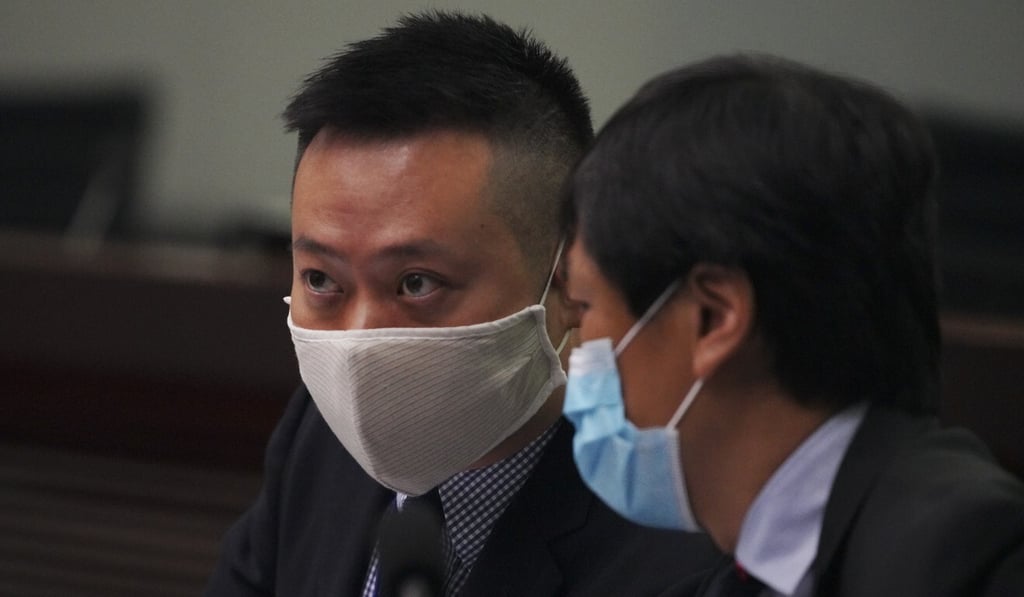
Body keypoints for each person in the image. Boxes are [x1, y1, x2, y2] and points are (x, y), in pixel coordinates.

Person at [204, 11, 719, 597]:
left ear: (573, 276)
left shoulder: (678, 547)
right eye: (321, 279)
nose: (361, 340)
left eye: (417, 283)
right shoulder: (316, 441)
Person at [561, 54, 1024, 596]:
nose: (574, 358)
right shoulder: (727, 578)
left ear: (715, 318)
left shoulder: (967, 556)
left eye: (584, 310)